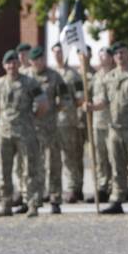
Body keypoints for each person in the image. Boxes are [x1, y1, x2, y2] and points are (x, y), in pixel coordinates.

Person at [90, 43, 128, 214]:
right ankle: (117, 199)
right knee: (116, 167)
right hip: (114, 128)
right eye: (116, 54)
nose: (119, 56)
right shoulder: (109, 77)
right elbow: (103, 101)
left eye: (123, 53)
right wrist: (92, 107)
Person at [0, 50, 46, 217]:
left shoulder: (30, 82)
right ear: (4, 65)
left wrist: (31, 119)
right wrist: (4, 119)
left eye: (14, 62)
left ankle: (32, 204)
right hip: (5, 132)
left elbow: (43, 104)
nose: (11, 66)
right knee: (4, 170)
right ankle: (5, 204)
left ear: (18, 64)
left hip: (25, 132)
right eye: (8, 63)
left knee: (29, 169)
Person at [25, 46, 66, 213]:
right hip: (30, 128)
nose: (38, 62)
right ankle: (33, 198)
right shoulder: (26, 77)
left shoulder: (54, 76)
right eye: (35, 60)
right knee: (32, 165)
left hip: (50, 128)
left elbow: (65, 98)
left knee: (54, 164)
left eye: (41, 59)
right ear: (30, 61)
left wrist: (54, 110)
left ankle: (55, 199)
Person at [50, 42, 85, 203]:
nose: (58, 55)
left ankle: (73, 188)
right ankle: (53, 189)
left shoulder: (74, 75)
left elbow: (80, 98)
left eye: (61, 52)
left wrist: (66, 107)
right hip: (51, 123)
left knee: (70, 157)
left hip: (68, 121)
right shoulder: (50, 74)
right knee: (52, 158)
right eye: (55, 52)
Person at [88, 47, 114, 203]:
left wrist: (94, 106)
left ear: (110, 58)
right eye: (100, 56)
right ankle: (102, 187)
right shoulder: (96, 76)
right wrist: (88, 105)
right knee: (99, 157)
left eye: (104, 56)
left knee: (114, 157)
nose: (101, 59)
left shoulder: (114, 75)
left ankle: (114, 187)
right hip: (98, 122)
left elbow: (107, 100)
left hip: (112, 122)